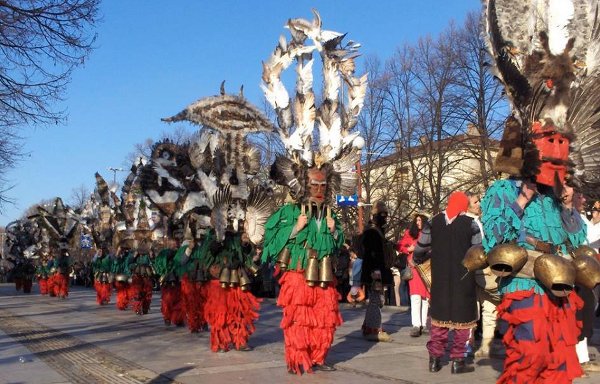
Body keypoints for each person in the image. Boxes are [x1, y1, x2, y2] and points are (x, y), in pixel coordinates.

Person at [263, 166, 345, 374]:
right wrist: (295, 229)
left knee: (325, 319)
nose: (319, 189)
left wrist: (335, 232)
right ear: (303, 186)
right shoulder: (289, 212)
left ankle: (318, 358)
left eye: (323, 185)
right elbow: (270, 241)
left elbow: (338, 243)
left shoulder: (330, 214)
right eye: (314, 185)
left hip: (323, 273)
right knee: (299, 320)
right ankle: (298, 359)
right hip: (298, 273)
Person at [414, 191, 481, 374]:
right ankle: (458, 361)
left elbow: (420, 248)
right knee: (463, 321)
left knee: (439, 319)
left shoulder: (432, 222)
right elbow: (478, 252)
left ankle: (435, 360)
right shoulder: (471, 224)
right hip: (463, 278)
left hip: (440, 278)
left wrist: (420, 258)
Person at [466, 192, 503, 359]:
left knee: (488, 307)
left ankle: (486, 345)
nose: (478, 203)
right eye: (475, 201)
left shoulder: (480, 220)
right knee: (471, 309)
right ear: (467, 205)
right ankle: (467, 343)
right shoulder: (466, 222)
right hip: (470, 270)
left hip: (484, 270)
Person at [572, 193, 600, 375]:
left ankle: (581, 356)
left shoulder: (579, 218)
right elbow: (589, 239)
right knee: (582, 313)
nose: (584, 201)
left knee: (586, 312)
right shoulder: (575, 218)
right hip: (579, 273)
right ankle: (579, 358)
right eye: (579, 197)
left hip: (588, 273)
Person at [397, 213, 430, 337]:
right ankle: (416, 324)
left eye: (420, 220)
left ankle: (424, 324)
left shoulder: (429, 233)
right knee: (415, 296)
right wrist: (408, 249)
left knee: (426, 298)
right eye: (416, 220)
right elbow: (400, 246)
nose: (418, 222)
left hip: (427, 267)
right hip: (414, 268)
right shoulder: (410, 233)